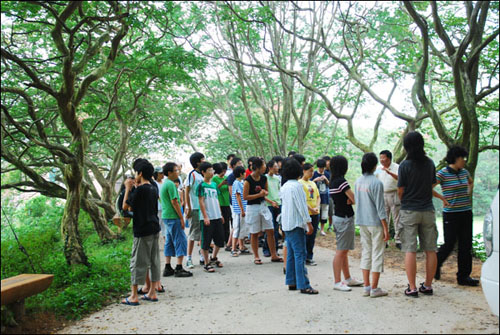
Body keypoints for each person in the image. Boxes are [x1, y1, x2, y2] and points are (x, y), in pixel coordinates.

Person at [397, 131, 438, 297]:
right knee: (431, 249)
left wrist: (407, 198)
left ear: (406, 147)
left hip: (409, 210)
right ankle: (427, 286)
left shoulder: (405, 166)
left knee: (410, 249)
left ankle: (412, 288)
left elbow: (400, 190)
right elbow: (433, 184)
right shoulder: (430, 163)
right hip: (428, 210)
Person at [433, 146, 479, 286]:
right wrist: (442, 198)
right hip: (451, 214)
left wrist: (468, 192)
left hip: (466, 212)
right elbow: (429, 187)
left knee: (466, 245)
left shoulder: (464, 172)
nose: (464, 161)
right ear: (456, 158)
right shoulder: (442, 173)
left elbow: (471, 182)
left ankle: (464, 277)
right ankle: (435, 265)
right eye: (462, 158)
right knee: (449, 244)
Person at [121, 160, 161, 305]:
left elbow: (126, 207)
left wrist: (127, 188)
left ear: (140, 173)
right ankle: (152, 292)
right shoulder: (153, 188)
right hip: (154, 227)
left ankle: (134, 296)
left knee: (137, 262)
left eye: (136, 173)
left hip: (142, 229)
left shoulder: (140, 190)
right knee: (154, 260)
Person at [280, 158, 318, 294]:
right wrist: (309, 223)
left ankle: (291, 281)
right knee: (300, 254)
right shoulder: (297, 186)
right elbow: (302, 207)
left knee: (291, 253)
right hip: (296, 224)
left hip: (287, 224)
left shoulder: (284, 186)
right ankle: (304, 284)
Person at [355, 153, 390, 298]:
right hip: (375, 223)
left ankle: (366, 287)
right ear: (375, 166)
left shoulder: (358, 181)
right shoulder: (376, 183)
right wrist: (386, 228)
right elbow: (380, 208)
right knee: (377, 254)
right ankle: (374, 288)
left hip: (362, 222)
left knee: (366, 252)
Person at [330, 155, 363, 292]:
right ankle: (337, 281)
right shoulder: (341, 182)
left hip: (339, 217)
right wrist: (350, 200)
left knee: (343, 251)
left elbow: (348, 199)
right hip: (344, 218)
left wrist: (349, 200)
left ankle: (348, 278)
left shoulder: (332, 182)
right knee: (341, 251)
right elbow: (354, 198)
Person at [243, 157, 283, 264]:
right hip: (252, 208)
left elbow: (265, 192)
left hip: (263, 206)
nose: (265, 167)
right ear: (258, 167)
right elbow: (245, 197)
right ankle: (256, 256)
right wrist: (259, 194)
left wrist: (265, 195)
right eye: (263, 165)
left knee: (270, 230)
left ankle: (273, 254)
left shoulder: (264, 179)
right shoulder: (248, 181)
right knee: (255, 233)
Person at [159, 162, 192, 278]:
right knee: (180, 240)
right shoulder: (171, 185)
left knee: (169, 240)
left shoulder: (165, 184)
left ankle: (168, 266)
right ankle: (179, 267)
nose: (178, 172)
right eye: (176, 170)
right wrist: (181, 218)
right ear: (169, 173)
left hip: (166, 216)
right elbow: (175, 201)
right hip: (173, 217)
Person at [197, 162, 225, 273]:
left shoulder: (213, 185)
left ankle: (214, 257)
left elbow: (217, 200)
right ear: (203, 172)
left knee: (219, 240)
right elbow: (201, 201)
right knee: (206, 241)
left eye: (212, 170)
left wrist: (220, 214)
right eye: (209, 170)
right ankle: (206, 262)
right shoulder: (201, 186)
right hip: (207, 217)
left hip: (217, 216)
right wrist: (205, 216)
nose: (211, 172)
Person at [375, 150, 401, 249]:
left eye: (383, 158)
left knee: (397, 217)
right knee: (383, 217)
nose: (381, 160)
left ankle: (398, 240)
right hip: (382, 194)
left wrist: (389, 172)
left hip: (394, 193)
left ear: (389, 158)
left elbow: (400, 178)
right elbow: (373, 177)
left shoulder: (397, 167)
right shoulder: (378, 168)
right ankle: (384, 240)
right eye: (380, 158)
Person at [185, 152, 206, 268]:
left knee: (203, 233)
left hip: (204, 208)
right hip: (195, 208)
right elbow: (186, 190)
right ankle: (188, 258)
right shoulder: (192, 175)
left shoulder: (204, 174)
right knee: (193, 234)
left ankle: (202, 255)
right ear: (198, 162)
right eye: (203, 159)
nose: (205, 161)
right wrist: (188, 206)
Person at [299, 163, 320, 266]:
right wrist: (310, 208)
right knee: (305, 235)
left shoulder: (313, 183)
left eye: (312, 171)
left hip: (315, 213)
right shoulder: (300, 183)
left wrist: (316, 207)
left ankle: (309, 256)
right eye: (309, 171)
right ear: (304, 171)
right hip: (306, 213)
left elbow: (318, 196)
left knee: (312, 236)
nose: (311, 173)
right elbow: (301, 199)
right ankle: (303, 256)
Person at [263, 159, 282, 257]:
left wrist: (279, 201)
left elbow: (279, 191)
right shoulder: (264, 178)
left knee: (277, 228)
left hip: (278, 204)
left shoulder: (278, 178)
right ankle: (267, 249)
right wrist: (271, 202)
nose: (277, 168)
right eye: (275, 166)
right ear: (270, 168)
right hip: (269, 205)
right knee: (270, 228)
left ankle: (275, 250)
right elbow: (263, 194)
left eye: (277, 166)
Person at [231, 166, 250, 256]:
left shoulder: (242, 182)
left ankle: (241, 246)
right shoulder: (237, 183)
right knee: (237, 229)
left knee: (242, 228)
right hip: (238, 210)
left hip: (243, 209)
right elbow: (238, 196)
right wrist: (242, 209)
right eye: (244, 173)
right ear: (240, 174)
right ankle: (233, 248)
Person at [212, 163, 232, 249]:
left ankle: (227, 239)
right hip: (219, 202)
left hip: (227, 201)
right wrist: (222, 184)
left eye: (225, 171)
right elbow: (214, 189)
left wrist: (227, 185)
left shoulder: (226, 178)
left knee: (227, 221)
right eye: (222, 171)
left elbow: (229, 188)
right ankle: (221, 239)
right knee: (221, 222)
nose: (224, 173)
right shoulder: (214, 178)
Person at [313, 159, 330, 236]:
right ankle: (316, 228)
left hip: (325, 196)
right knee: (316, 213)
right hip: (316, 197)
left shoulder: (327, 174)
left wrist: (326, 179)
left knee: (324, 213)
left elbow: (330, 184)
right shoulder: (314, 174)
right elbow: (309, 183)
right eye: (320, 168)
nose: (321, 169)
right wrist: (315, 180)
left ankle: (322, 230)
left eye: (322, 168)